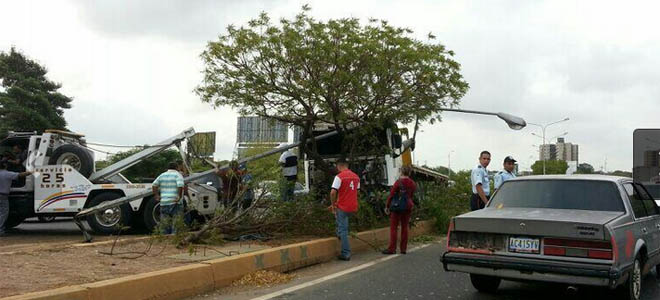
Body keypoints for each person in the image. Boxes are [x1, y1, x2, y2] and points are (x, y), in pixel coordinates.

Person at [329, 158, 360, 261]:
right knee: (343, 226)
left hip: (342, 207)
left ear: (339, 166)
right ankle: (340, 235)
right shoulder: (356, 177)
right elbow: (357, 192)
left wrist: (333, 205)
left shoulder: (339, 177)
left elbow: (333, 192)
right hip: (353, 206)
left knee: (343, 230)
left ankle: (346, 253)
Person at [382, 165, 416, 255]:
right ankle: (403, 249)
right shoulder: (412, 183)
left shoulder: (398, 182)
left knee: (394, 228)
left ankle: (392, 249)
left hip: (397, 207)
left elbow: (391, 195)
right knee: (405, 227)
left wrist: (387, 206)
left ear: (401, 171)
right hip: (407, 206)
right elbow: (411, 195)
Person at [0, 160, 32, 236]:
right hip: (3, 196)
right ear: (5, 165)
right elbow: (20, 175)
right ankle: (0, 230)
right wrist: (32, 171)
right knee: (3, 213)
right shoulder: (7, 174)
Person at [152, 162, 185, 234]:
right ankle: (174, 239)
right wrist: (179, 196)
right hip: (175, 202)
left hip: (164, 202)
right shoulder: (178, 175)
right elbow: (180, 185)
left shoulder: (162, 175)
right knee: (176, 222)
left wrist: (156, 195)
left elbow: (154, 185)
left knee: (164, 223)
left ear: (168, 168)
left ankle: (164, 240)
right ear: (177, 168)